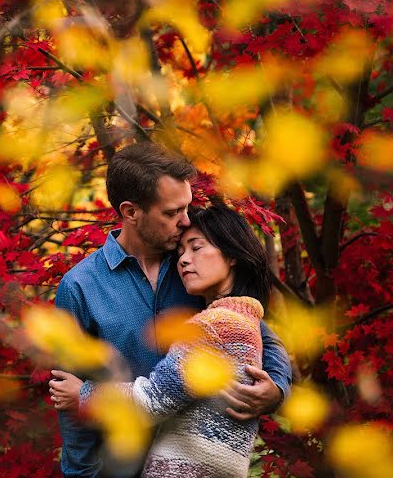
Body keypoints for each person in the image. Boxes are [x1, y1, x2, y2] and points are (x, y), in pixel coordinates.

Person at [48, 142, 291, 478]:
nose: (185, 220)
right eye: (171, 213)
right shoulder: (79, 288)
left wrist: (276, 390)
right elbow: (71, 406)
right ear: (131, 212)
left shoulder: (197, 272)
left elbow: (259, 332)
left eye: (187, 207)